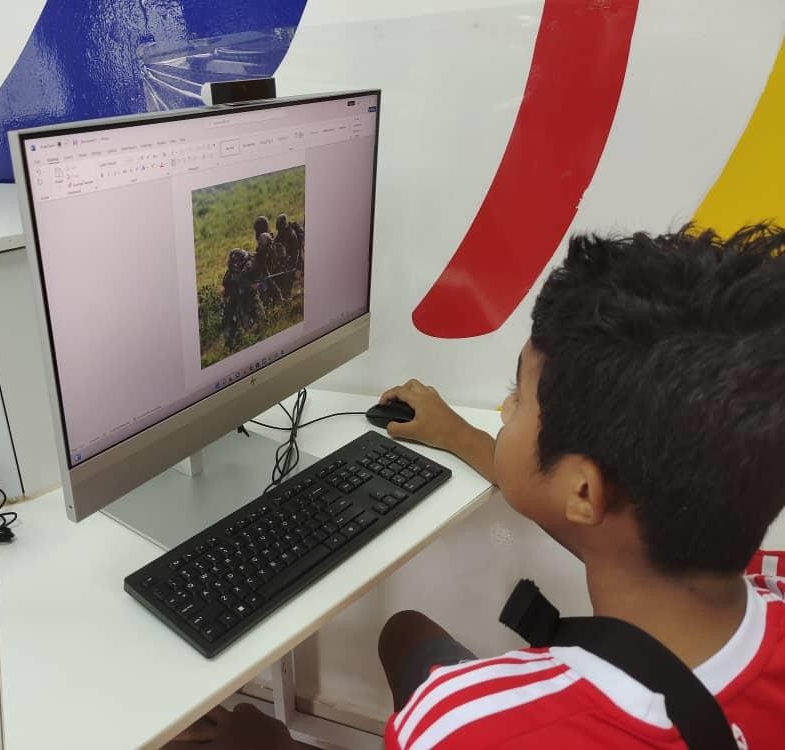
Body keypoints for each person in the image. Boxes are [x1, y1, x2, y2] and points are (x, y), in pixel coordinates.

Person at [172, 225, 785, 749]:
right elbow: (614, 526)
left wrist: (275, 743)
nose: (504, 407)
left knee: (241, 732)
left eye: (519, 395)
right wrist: (459, 435)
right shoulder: (759, 578)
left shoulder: (459, 723)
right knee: (406, 634)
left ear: (583, 493)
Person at [220, 248, 263, 348]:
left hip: (251, 295)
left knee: (256, 310)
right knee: (231, 316)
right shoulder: (230, 275)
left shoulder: (251, 263)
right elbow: (228, 285)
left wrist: (254, 284)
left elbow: (258, 274)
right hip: (237, 297)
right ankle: (232, 340)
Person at [274, 213, 302, 299]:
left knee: (288, 281)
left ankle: (287, 297)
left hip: (293, 261)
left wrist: (293, 266)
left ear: (285, 226)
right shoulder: (280, 234)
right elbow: (276, 244)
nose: (280, 230)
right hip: (285, 260)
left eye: (281, 228)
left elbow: (296, 252)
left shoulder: (291, 234)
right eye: (279, 229)